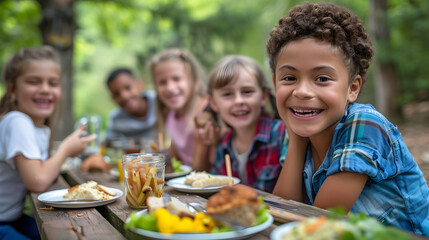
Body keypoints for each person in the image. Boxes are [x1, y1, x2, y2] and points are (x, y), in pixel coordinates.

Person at [267, 2, 429, 235]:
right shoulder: (298, 129)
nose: (302, 91)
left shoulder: (365, 124)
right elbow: (282, 211)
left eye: (322, 78)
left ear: (352, 88)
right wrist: (297, 141)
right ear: (275, 84)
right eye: (289, 78)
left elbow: (317, 224)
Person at [0, 46, 95, 239]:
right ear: (12, 90)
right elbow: (38, 181)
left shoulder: (38, 128)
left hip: (12, 218)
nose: (45, 89)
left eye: (53, 83)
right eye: (34, 82)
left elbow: (43, 173)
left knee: (66, 234)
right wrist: (65, 150)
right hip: (3, 223)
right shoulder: (17, 121)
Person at [194, 55, 286, 193]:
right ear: (213, 102)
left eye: (247, 92)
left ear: (264, 96)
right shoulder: (223, 145)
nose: (238, 101)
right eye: (227, 94)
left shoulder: (281, 134)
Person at [148, 48, 207, 166]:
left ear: (195, 80)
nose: (170, 87)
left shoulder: (205, 111)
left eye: (177, 79)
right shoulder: (170, 116)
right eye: (162, 82)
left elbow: (203, 167)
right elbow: (177, 160)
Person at [104, 68, 157, 145]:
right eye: (116, 94)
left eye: (128, 88)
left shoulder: (159, 102)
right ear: (113, 99)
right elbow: (108, 144)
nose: (124, 96)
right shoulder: (116, 119)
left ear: (140, 84)